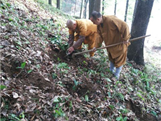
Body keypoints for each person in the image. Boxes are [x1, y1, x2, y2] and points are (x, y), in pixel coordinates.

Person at [90, 11, 131, 79]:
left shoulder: (111, 20)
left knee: (119, 60)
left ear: (98, 19)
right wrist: (96, 46)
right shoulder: (99, 25)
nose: (93, 23)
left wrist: (126, 38)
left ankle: (116, 75)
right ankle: (111, 71)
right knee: (111, 58)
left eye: (93, 21)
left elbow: (125, 25)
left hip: (119, 44)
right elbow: (99, 36)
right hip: (110, 44)